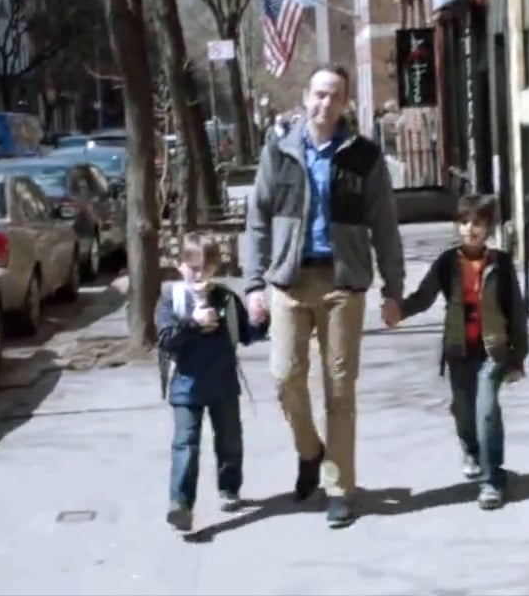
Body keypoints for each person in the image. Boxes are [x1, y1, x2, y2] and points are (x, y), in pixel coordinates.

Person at [242, 62, 405, 528]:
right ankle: (310, 450)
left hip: (342, 284)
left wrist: (394, 291)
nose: (325, 103)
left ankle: (338, 488)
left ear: (345, 102)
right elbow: (257, 219)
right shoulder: (279, 151)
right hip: (289, 282)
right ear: (305, 97)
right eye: (319, 93)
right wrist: (253, 284)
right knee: (284, 377)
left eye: (334, 95)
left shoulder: (364, 156)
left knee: (339, 390)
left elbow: (385, 227)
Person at [397, 193, 529, 510]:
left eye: (478, 223)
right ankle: (470, 449)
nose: (471, 228)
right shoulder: (447, 263)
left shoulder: (501, 264)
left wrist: (518, 357)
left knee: (487, 411)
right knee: (464, 412)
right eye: (465, 222)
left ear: (489, 228)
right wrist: (398, 311)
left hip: (493, 352)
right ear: (457, 225)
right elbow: (424, 296)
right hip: (458, 351)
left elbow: (516, 312)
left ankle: (493, 479)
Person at [155, 233, 266, 533]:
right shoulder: (171, 299)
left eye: (206, 267)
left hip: (223, 383)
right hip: (186, 386)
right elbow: (165, 340)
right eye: (192, 267)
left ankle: (229, 487)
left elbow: (246, 334)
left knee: (229, 440)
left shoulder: (226, 298)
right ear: (179, 266)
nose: (199, 274)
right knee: (185, 445)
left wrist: (260, 320)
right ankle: (180, 504)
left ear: (216, 267)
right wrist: (194, 323)